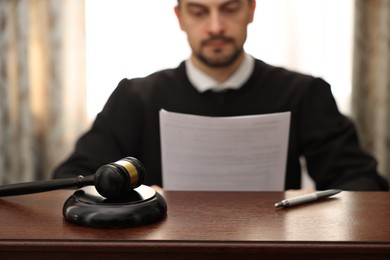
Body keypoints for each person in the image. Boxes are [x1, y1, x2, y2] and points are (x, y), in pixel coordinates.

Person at [53, 0, 388, 191]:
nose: (215, 27)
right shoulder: (136, 96)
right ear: (180, 18)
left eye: (229, 8)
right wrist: (132, 195)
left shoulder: (303, 92)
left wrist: (311, 207)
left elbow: (360, 182)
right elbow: (74, 177)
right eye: (199, 11)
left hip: (272, 249)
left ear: (251, 10)